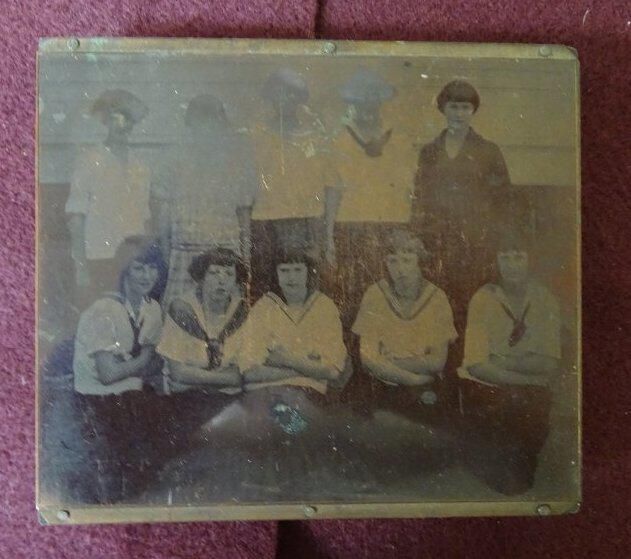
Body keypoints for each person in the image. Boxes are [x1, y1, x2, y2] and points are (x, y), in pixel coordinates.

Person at [458, 228, 561, 495]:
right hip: (488, 384)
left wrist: (500, 360)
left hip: (522, 385)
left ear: (530, 260)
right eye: (505, 257)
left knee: (531, 414)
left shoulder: (545, 299)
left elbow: (549, 363)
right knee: (503, 408)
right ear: (495, 262)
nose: (512, 265)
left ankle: (520, 469)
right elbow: (476, 364)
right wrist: (526, 377)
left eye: (519, 257)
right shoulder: (483, 299)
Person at [72, 236, 167, 503]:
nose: (147, 276)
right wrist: (144, 359)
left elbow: (156, 364)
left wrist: (146, 364)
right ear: (124, 269)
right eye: (138, 268)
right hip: (95, 399)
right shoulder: (104, 310)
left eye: (152, 268)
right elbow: (108, 375)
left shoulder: (151, 308)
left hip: (131, 393)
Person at [411, 79, 512, 332]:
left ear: (473, 110)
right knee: (440, 303)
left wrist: (496, 240)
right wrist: (420, 237)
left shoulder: (488, 151)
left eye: (465, 107)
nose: (459, 114)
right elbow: (421, 197)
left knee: (475, 303)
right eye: (454, 107)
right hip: (438, 242)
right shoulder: (430, 152)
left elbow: (503, 200)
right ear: (443, 109)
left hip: (476, 241)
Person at [154, 94, 258, 310]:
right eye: (200, 122)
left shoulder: (236, 164)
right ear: (191, 124)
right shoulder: (173, 161)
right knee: (180, 313)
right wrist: (166, 253)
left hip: (224, 254)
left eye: (213, 123)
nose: (207, 130)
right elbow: (163, 215)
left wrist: (245, 260)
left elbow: (244, 219)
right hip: (184, 253)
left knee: (225, 314)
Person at [331, 68, 419, 322]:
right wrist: (328, 235)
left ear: (380, 102)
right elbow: (333, 187)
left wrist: (406, 227)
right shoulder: (341, 140)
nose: (367, 106)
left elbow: (408, 185)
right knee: (354, 288)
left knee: (390, 288)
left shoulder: (399, 139)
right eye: (361, 100)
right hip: (351, 224)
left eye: (372, 99)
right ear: (353, 103)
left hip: (391, 222)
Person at [352, 228, 457, 423]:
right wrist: (412, 379)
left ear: (419, 261)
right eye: (393, 261)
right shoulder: (375, 294)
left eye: (407, 260)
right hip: (383, 384)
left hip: (424, 386)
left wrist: (391, 363)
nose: (400, 269)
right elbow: (367, 359)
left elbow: (437, 362)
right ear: (385, 263)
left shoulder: (437, 298)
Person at [156, 248, 248, 455]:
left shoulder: (243, 312)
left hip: (230, 401)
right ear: (201, 278)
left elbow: (245, 373)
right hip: (187, 400)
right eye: (214, 273)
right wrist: (225, 378)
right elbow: (178, 373)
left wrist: (198, 376)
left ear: (236, 281)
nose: (221, 281)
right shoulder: (181, 309)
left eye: (229, 274)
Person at [250, 68, 342, 270]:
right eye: (279, 93)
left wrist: (328, 236)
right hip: (266, 222)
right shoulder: (257, 135)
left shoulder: (315, 138)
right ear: (271, 96)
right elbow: (248, 185)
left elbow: (333, 186)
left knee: (306, 280)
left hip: (307, 222)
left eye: (292, 94)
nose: (285, 99)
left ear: (300, 98)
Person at [66, 89, 151, 294]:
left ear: (133, 124)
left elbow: (144, 217)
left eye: (128, 119)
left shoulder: (141, 165)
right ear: (106, 121)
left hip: (133, 259)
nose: (122, 125)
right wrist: (81, 267)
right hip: (99, 256)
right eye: (115, 119)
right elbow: (76, 218)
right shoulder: (89, 160)